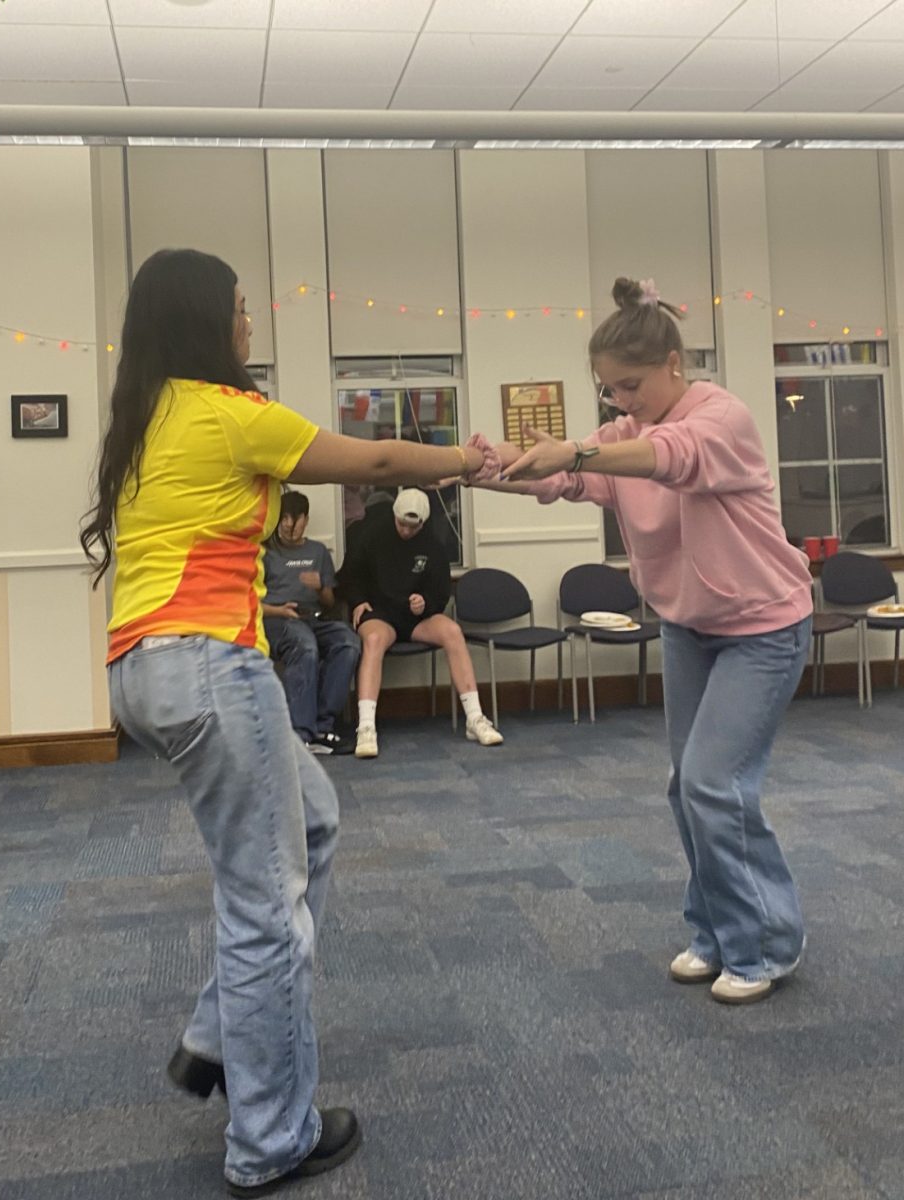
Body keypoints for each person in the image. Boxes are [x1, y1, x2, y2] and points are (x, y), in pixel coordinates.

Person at [79, 248, 495, 1197]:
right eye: (237, 309)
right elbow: (382, 460)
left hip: (147, 669)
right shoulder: (227, 412)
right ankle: (270, 1139)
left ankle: (215, 1038)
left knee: (309, 823)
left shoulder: (146, 415)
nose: (248, 325)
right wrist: (472, 462)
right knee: (267, 906)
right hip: (210, 669)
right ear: (203, 322)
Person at [472, 276, 813, 1006]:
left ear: (671, 364)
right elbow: (562, 477)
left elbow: (669, 457)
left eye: (629, 387)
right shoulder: (620, 434)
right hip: (691, 626)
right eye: (609, 392)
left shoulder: (720, 418)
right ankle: (716, 932)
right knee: (683, 786)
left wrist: (576, 452)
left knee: (712, 783)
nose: (620, 403)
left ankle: (767, 946)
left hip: (764, 627)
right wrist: (481, 467)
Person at [340, 486, 503, 759]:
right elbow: (349, 575)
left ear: (423, 523)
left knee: (452, 631)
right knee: (374, 640)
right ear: (394, 516)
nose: (406, 530)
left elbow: (440, 590)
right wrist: (357, 601)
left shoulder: (433, 543)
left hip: (415, 618)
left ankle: (475, 718)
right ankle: (366, 727)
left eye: (412, 527)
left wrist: (425, 602)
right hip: (380, 613)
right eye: (401, 524)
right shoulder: (372, 534)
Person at [263, 489, 360, 755]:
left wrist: (320, 588)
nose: (288, 525)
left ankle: (322, 726)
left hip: (314, 618)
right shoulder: (265, 552)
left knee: (348, 643)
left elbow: (329, 603)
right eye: (283, 518)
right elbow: (248, 601)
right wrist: (277, 610)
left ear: (305, 519)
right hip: (277, 619)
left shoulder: (317, 552)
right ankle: (300, 734)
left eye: (294, 519)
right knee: (305, 647)